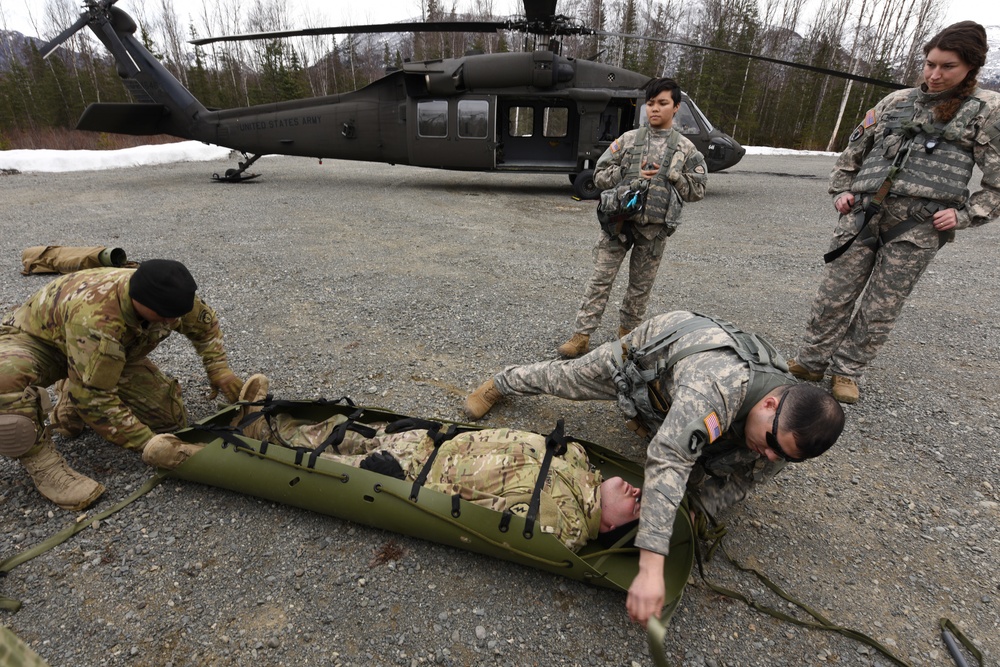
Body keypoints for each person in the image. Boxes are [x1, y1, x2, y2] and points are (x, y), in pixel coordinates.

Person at [463, 310, 845, 626]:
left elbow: (741, 482)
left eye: (788, 457)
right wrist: (650, 566)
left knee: (731, 462)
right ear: (769, 406)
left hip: (693, 396)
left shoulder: (789, 431)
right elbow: (669, 459)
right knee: (564, 379)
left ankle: (670, 429)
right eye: (776, 446)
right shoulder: (716, 387)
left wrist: (695, 511)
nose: (774, 457)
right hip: (647, 360)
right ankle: (500, 382)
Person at [142, 375, 642, 552]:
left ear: (612, 527)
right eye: (642, 493)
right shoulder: (578, 463)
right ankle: (262, 422)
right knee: (343, 431)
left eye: (637, 511)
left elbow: (487, 509)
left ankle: (191, 457)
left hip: (414, 479)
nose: (638, 495)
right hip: (432, 446)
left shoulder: (569, 521)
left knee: (319, 464)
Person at [788, 21, 1000, 404]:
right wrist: (841, 192)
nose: (935, 74)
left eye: (947, 66)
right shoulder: (894, 102)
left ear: (971, 67)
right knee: (833, 295)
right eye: (930, 63)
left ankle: (847, 371)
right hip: (862, 216)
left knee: (881, 305)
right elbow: (852, 154)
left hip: (917, 227)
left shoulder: (986, 110)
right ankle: (811, 360)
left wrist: (967, 215)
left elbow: (998, 181)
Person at [0, 259, 244, 511]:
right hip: (43, 344)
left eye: (176, 316)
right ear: (138, 301)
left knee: (170, 422)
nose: (171, 323)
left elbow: (205, 326)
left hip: (109, 352)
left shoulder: (170, 298)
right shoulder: (98, 318)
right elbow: (95, 400)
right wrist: (148, 444)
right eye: (164, 317)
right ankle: (46, 468)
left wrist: (219, 369)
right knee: (5, 376)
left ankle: (74, 385)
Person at [556, 77, 708, 359]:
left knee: (639, 288)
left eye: (662, 103)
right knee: (600, 279)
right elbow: (599, 176)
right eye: (650, 104)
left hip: (654, 230)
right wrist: (628, 172)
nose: (654, 109)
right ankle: (581, 336)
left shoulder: (686, 150)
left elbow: (698, 190)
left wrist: (675, 177)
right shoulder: (627, 141)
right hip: (618, 225)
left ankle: (627, 338)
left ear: (676, 107)